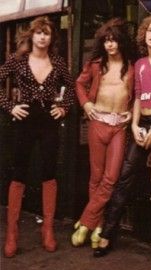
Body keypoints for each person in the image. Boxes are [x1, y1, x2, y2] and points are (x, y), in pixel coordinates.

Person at [94, 15, 151, 270]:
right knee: (125, 176)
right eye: (149, 30)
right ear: (144, 34)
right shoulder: (140, 63)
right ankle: (109, 232)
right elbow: (138, 97)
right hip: (141, 121)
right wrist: (134, 125)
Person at [0, 16, 75, 257]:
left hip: (48, 122)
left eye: (47, 33)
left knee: (49, 172)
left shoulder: (58, 62)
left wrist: (63, 106)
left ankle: (48, 231)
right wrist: (10, 106)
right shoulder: (18, 60)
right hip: (25, 121)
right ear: (31, 35)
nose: (43, 37)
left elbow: (72, 89)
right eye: (39, 33)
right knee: (19, 172)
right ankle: (12, 234)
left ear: (52, 38)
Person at [72, 18, 134, 249]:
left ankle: (86, 221)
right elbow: (79, 84)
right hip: (98, 122)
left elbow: (136, 95)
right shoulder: (96, 64)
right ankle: (97, 225)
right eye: (107, 40)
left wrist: (130, 112)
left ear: (121, 42)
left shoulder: (131, 66)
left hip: (119, 126)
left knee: (111, 177)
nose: (110, 45)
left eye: (114, 40)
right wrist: (86, 104)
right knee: (96, 177)